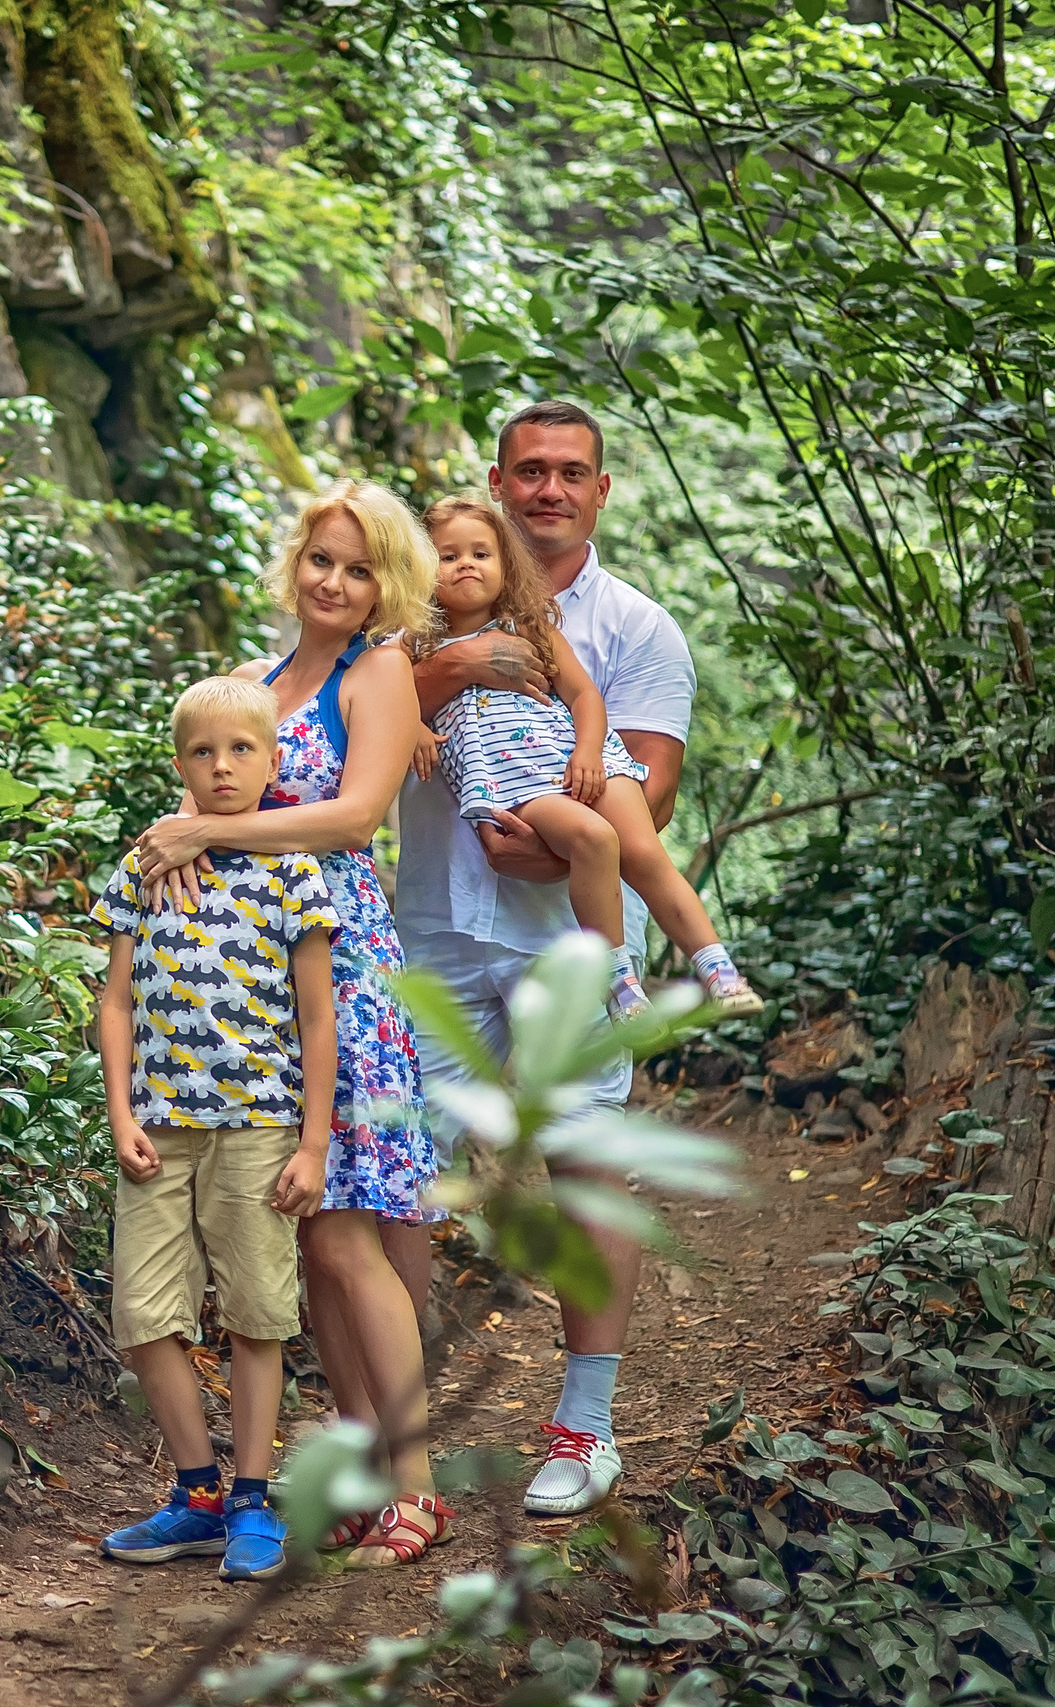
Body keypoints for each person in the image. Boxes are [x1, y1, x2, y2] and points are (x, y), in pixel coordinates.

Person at [131, 479, 451, 1569]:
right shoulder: (270, 679)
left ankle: (417, 1486)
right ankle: (359, 1472)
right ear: (296, 562)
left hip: (343, 974)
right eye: (322, 559)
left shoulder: (380, 670)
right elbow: (225, 795)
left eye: (360, 569)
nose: (335, 582)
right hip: (253, 985)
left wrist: (204, 834)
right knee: (307, 1238)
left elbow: (357, 814)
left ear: (389, 585)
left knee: (351, 1237)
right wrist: (173, 837)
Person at [394, 401, 706, 1519]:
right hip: (428, 927)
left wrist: (553, 847)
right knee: (396, 1180)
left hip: (563, 940)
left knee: (583, 1170)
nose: (548, 490)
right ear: (495, 480)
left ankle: (586, 1426)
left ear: (602, 489)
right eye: (528, 471)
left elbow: (650, 788)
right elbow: (347, 729)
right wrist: (449, 670)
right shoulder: (415, 607)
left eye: (571, 472)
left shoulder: (633, 627)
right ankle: (399, 1452)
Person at [94, 675, 338, 1583]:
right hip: (159, 1129)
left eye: (242, 749)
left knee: (256, 1313)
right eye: (203, 752)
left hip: (260, 1128)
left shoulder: (294, 871)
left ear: (273, 762)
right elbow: (113, 1003)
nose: (222, 766)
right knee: (144, 1314)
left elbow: (319, 1017)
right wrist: (121, 1112)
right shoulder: (145, 866)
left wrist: (312, 1142)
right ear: (179, 764)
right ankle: (195, 1493)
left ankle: (250, 1496)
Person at [409, 494, 759, 1021]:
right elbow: (387, 708)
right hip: (515, 781)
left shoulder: (529, 626)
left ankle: (719, 972)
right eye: (448, 556)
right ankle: (620, 985)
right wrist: (413, 725)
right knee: (596, 839)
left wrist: (590, 751)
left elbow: (584, 697)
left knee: (644, 854)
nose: (466, 566)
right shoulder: (411, 647)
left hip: (582, 758)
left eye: (481, 554)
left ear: (506, 563)